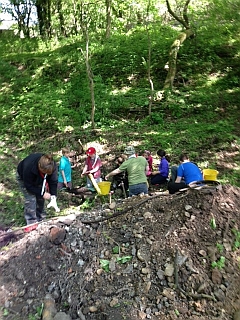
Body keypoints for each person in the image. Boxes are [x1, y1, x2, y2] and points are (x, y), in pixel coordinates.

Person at [17, 153, 58, 225]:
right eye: (45, 172)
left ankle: (41, 218)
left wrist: (53, 196)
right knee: (31, 199)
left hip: (40, 178)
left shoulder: (52, 165)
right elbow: (28, 186)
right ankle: (31, 222)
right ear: (39, 167)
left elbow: (53, 181)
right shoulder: (29, 167)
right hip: (24, 178)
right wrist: (41, 192)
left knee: (40, 198)